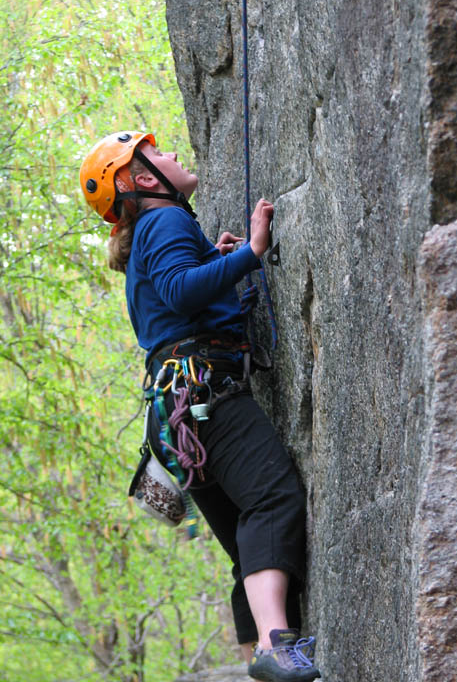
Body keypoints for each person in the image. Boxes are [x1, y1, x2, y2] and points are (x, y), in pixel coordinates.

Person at [79, 131, 321, 682]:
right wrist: (253, 254)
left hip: (179, 414)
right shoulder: (164, 221)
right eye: (158, 155)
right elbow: (181, 291)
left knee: (247, 545)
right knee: (273, 498)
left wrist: (220, 261)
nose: (172, 156)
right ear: (143, 179)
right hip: (203, 392)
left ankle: (259, 657)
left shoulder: (150, 232)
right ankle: (274, 644)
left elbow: (177, 296)